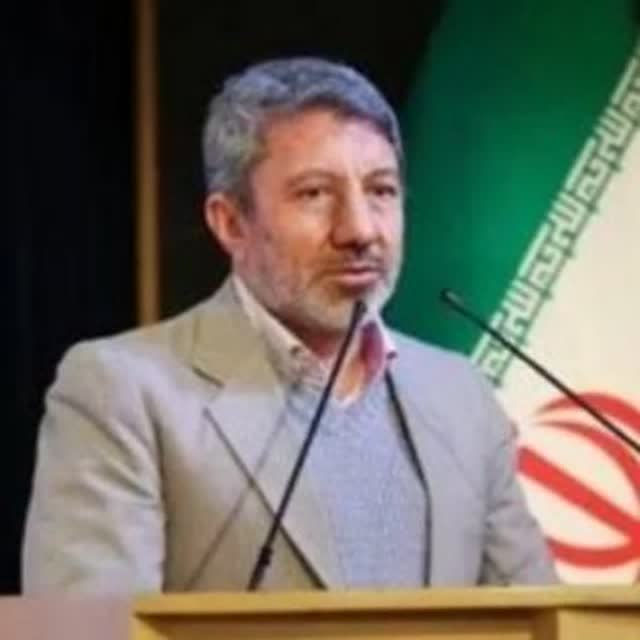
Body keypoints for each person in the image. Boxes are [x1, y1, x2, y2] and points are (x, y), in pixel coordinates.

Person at [22, 56, 558, 594]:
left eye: (381, 190)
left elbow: (545, 618)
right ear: (231, 223)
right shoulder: (123, 390)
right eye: (314, 194)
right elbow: (77, 628)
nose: (360, 230)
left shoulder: (460, 395)